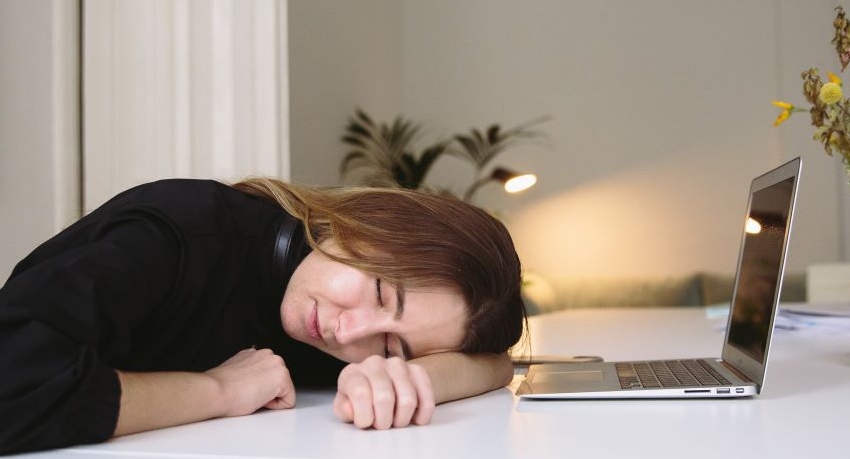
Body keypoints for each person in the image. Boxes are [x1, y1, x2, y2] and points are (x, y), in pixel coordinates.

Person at [0, 177, 526, 455]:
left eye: (390, 345)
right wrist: (216, 392)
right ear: (371, 225)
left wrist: (406, 375)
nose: (351, 333)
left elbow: (494, 362)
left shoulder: (327, 313)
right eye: (383, 293)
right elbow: (15, 384)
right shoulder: (181, 230)